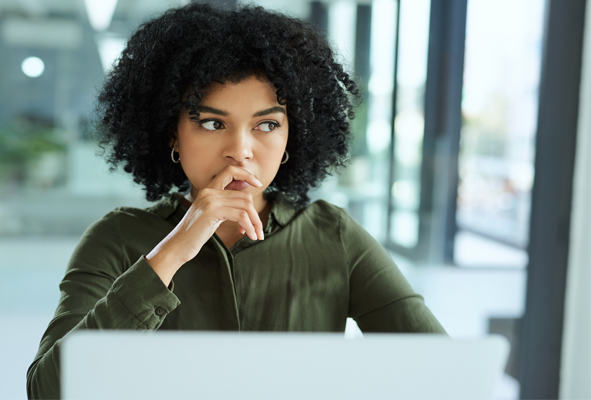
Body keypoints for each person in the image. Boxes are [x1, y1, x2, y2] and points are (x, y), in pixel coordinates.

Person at [26, 3, 446, 399]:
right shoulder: (117, 237)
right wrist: (171, 253)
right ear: (172, 134)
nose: (240, 150)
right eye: (212, 123)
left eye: (266, 124)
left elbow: (441, 373)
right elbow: (49, 390)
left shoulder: (334, 235)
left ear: (289, 140)